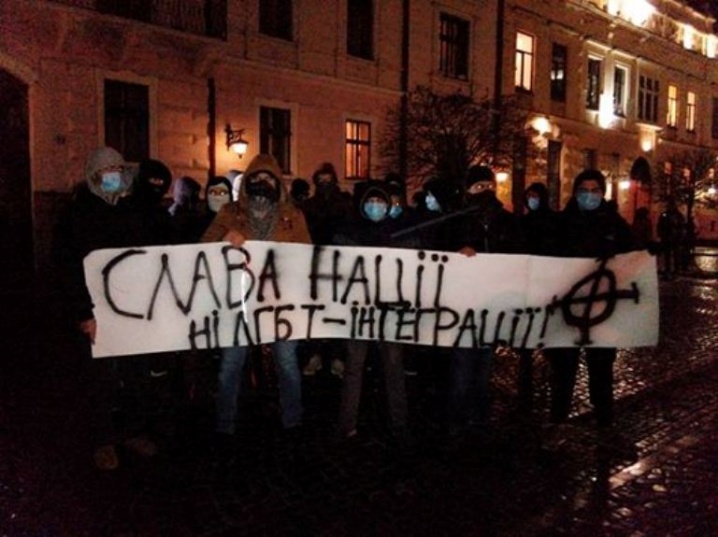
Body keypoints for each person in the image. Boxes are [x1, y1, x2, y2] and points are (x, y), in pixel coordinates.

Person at [56, 147, 162, 470]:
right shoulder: (76, 215)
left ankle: (132, 431)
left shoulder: (130, 211)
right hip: (97, 313)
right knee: (101, 379)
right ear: (94, 175)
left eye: (118, 168)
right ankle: (102, 440)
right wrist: (83, 313)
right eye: (106, 170)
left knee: (136, 374)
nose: (113, 174)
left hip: (131, 312)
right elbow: (68, 268)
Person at [201, 154, 310, 442]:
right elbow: (203, 248)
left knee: (286, 362)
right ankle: (225, 423)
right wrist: (224, 238)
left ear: (278, 184)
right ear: (248, 182)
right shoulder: (230, 212)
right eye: (257, 178)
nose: (262, 183)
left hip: (281, 303)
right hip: (238, 302)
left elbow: (306, 255)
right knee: (231, 364)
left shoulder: (293, 216)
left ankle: (293, 419)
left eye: (268, 178)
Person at [545, 169, 635, 430]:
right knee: (563, 366)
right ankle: (558, 417)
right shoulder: (561, 223)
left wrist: (646, 253)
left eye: (595, 190)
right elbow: (547, 256)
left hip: (601, 310)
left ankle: (604, 417)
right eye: (584, 190)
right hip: (567, 309)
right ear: (575, 193)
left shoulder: (615, 224)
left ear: (602, 193)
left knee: (602, 366)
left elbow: (631, 254)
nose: (589, 195)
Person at [333, 179, 414, 444]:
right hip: (360, 312)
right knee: (354, 367)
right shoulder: (349, 231)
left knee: (394, 366)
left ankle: (399, 423)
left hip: (390, 312)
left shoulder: (400, 232)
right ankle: (347, 424)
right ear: (362, 204)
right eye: (371, 201)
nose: (375, 206)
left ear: (388, 205)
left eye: (380, 201)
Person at [446, 165, 523, 439]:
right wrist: (457, 253)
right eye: (479, 187)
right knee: (462, 369)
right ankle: (456, 419)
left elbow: (519, 255)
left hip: (493, 308)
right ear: (468, 190)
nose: (486, 192)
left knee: (484, 369)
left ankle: (479, 418)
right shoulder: (455, 221)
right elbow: (439, 257)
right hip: (464, 310)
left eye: (489, 186)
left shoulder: (507, 221)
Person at [300, 163, 352, 378]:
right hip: (314, 265)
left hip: (339, 265)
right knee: (314, 311)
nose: (324, 184)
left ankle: (337, 357)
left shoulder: (345, 205)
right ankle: (314, 354)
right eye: (320, 181)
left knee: (338, 311)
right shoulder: (308, 207)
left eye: (328, 180)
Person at [517, 182, 561, 410]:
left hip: (547, 286)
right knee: (526, 339)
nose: (532, 199)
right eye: (529, 196)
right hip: (527, 287)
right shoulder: (523, 223)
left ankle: (552, 376)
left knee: (548, 336)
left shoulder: (553, 222)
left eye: (535, 196)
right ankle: (525, 383)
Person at [656, 197, 685, 279]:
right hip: (667, 238)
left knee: (675, 255)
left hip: (675, 238)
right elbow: (660, 225)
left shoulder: (678, 215)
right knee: (667, 255)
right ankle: (668, 270)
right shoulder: (665, 215)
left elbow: (681, 227)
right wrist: (661, 234)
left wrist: (680, 236)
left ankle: (675, 271)